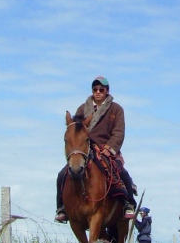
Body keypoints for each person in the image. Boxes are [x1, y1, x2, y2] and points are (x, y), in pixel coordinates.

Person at [55, 76, 136, 222]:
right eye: (95, 89)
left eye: (101, 89)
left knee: (120, 173)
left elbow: (119, 132)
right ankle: (61, 208)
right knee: (62, 175)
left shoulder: (116, 109)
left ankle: (128, 203)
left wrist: (109, 148)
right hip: (86, 149)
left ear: (107, 91)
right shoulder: (82, 108)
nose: (98, 92)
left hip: (107, 149)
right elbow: (76, 130)